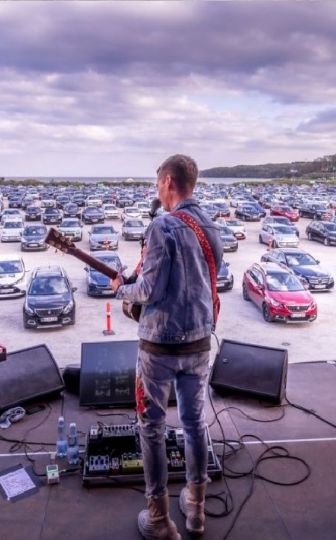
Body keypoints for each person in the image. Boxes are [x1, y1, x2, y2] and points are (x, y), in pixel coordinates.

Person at [110, 155, 223, 540]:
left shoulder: (163, 226)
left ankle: (159, 520)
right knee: (194, 425)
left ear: (170, 183)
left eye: (158, 183)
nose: (157, 190)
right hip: (199, 343)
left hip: (158, 348)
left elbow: (148, 290)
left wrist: (121, 290)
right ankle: (196, 509)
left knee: (152, 428)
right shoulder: (209, 226)